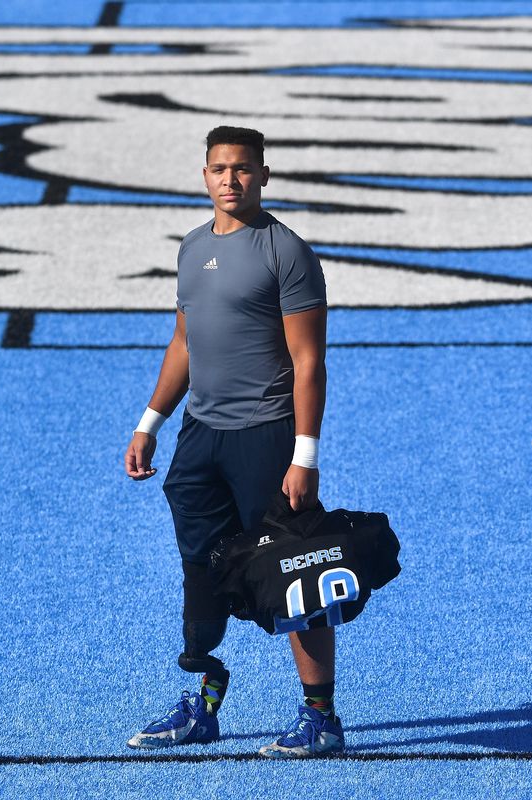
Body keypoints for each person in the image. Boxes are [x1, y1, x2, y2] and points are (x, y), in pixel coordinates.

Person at [123, 126, 341, 758]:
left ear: (264, 175)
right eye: (219, 168)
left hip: (265, 437)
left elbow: (309, 361)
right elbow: (184, 345)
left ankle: (321, 716)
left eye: (243, 169)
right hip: (200, 435)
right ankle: (205, 696)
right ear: (204, 175)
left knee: (294, 573)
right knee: (200, 563)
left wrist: (305, 456)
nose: (230, 179)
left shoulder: (287, 253)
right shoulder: (192, 248)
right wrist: (150, 421)